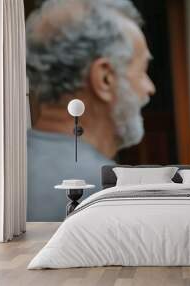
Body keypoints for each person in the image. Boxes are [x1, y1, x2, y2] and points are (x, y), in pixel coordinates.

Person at [26, 0, 155, 221]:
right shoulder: (110, 195)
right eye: (142, 71)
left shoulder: (0, 169)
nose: (150, 88)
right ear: (104, 78)